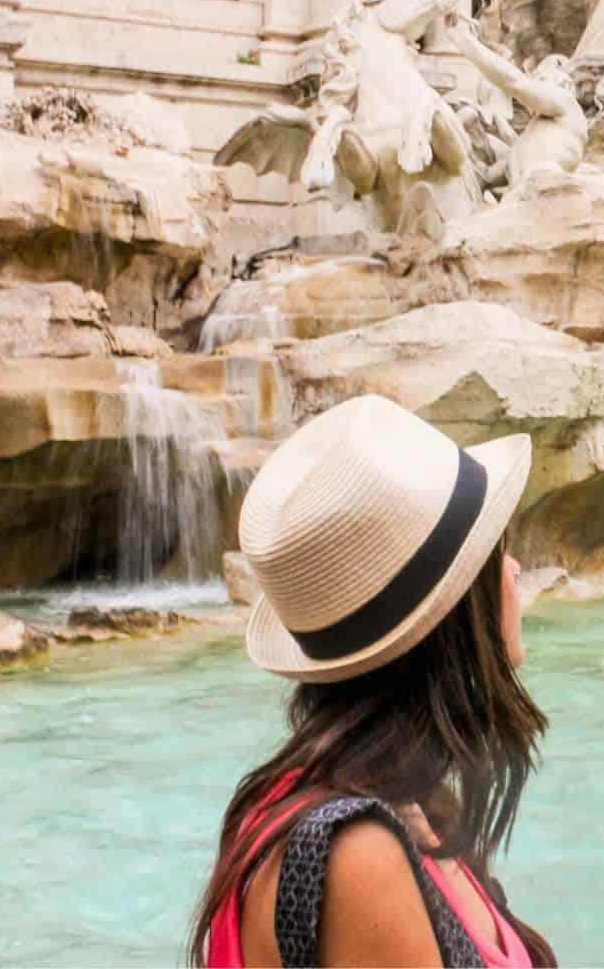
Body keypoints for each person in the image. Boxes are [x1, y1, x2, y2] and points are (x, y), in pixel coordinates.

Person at [190, 395, 555, 968]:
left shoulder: (411, 806)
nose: (512, 570)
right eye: (497, 551)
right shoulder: (356, 853)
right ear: (455, 616)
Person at [443, 3, 588, 191]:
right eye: (534, 76)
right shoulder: (532, 137)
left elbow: (516, 83)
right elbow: (486, 176)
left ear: (565, 84)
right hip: (519, 203)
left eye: (542, 77)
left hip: (546, 196)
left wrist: (463, 40)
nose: (535, 80)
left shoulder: (566, 104)